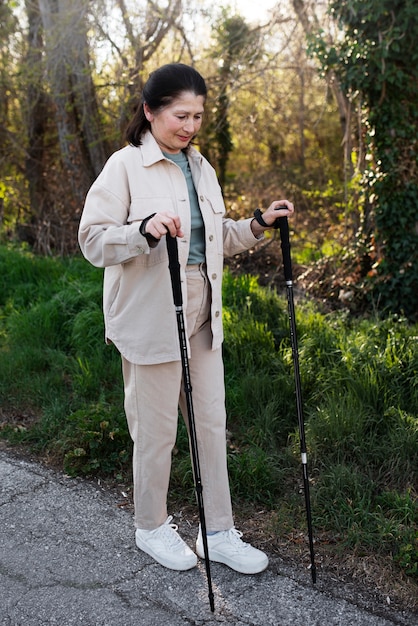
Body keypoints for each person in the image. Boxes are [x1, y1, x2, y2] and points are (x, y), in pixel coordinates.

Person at [78, 63, 294, 575]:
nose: (190, 126)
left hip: (202, 311)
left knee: (211, 424)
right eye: (180, 115)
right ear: (150, 111)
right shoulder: (124, 167)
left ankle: (217, 531)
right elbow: (92, 240)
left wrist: (257, 224)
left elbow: (213, 238)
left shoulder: (201, 168)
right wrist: (143, 230)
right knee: (156, 432)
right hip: (151, 313)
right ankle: (150, 526)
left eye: (197, 115)